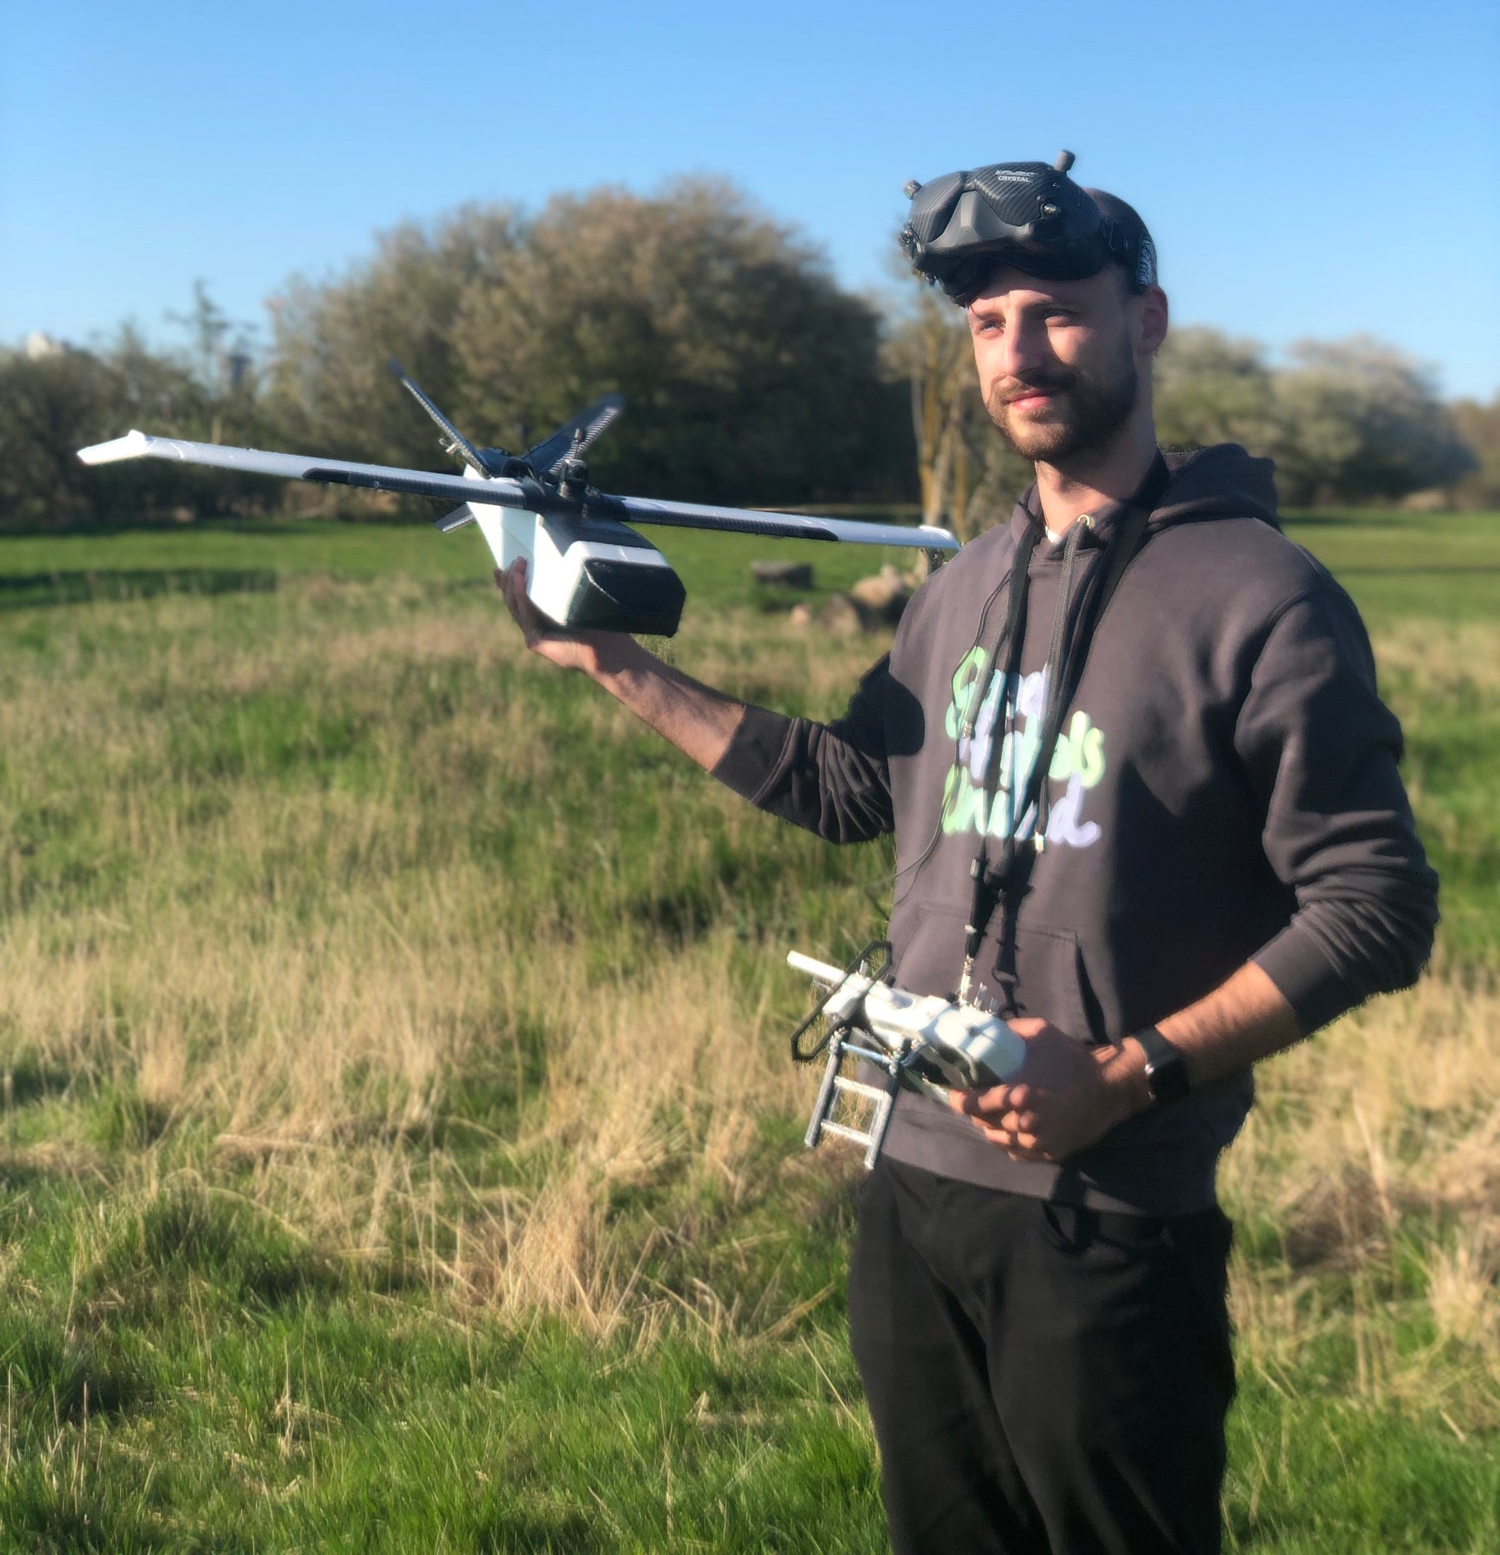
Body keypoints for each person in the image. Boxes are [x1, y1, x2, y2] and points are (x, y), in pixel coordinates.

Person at [495, 154, 1437, 1555]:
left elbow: (1376, 906)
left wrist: (1128, 1076)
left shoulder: (1262, 597)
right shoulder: (963, 590)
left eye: (1055, 311)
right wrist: (615, 666)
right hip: (913, 1181)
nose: (1019, 353)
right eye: (987, 325)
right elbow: (847, 784)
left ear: (1148, 321)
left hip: (1109, 1213)